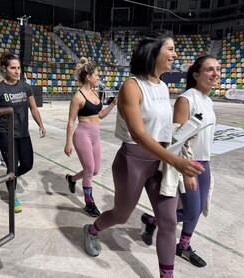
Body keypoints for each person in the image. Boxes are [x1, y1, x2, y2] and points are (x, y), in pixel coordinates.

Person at [82, 31, 205, 278]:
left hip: (162, 161)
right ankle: (92, 230)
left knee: (169, 221)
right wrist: (176, 161)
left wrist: (183, 138)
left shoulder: (163, 87)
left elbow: (161, 128)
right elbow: (138, 133)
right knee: (121, 214)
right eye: (170, 49)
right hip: (133, 161)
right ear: (153, 52)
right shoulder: (131, 86)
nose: (175, 54)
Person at [141, 55, 218, 268]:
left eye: (217, 69)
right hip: (189, 163)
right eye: (209, 69)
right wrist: (185, 170)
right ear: (196, 74)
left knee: (198, 209)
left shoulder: (208, 100)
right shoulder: (186, 99)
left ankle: (183, 246)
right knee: (191, 211)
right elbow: (177, 139)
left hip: (206, 162)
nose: (215, 73)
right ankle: (153, 219)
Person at [0, 53, 46, 213]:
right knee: (12, 166)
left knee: (27, 164)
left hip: (23, 133)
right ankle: (12, 192)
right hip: (6, 133)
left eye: (18, 68)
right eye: (13, 68)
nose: (17, 71)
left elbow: (33, 108)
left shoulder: (25, 87)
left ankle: (10, 179)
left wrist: (40, 124)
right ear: (4, 68)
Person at [64, 57, 117, 217]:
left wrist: (113, 104)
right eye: (96, 75)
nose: (98, 78)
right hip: (82, 134)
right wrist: (68, 143)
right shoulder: (78, 97)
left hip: (95, 134)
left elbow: (99, 115)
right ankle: (89, 202)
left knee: (95, 170)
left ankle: (72, 179)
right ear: (88, 77)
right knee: (89, 170)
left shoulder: (95, 93)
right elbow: (71, 122)